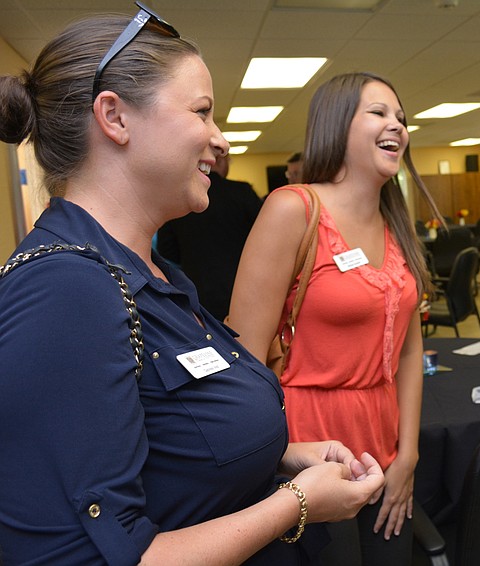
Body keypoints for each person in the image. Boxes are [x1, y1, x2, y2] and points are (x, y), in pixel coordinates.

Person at [0, 6, 384, 564]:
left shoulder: (155, 274)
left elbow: (165, 450)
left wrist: (279, 458)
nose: (220, 140)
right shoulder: (66, 291)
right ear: (115, 117)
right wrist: (297, 502)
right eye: (202, 112)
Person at [228, 72, 441, 566]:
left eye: (401, 117)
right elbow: (244, 358)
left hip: (385, 449)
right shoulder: (293, 209)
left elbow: (409, 350)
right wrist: (279, 455)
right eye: (379, 112)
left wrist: (407, 455)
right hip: (308, 452)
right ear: (337, 124)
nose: (397, 125)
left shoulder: (397, 223)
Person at [156, 153, 262, 321]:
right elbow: (266, 240)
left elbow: (166, 248)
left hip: (198, 292)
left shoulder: (179, 199)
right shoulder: (242, 192)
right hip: (244, 291)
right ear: (219, 160)